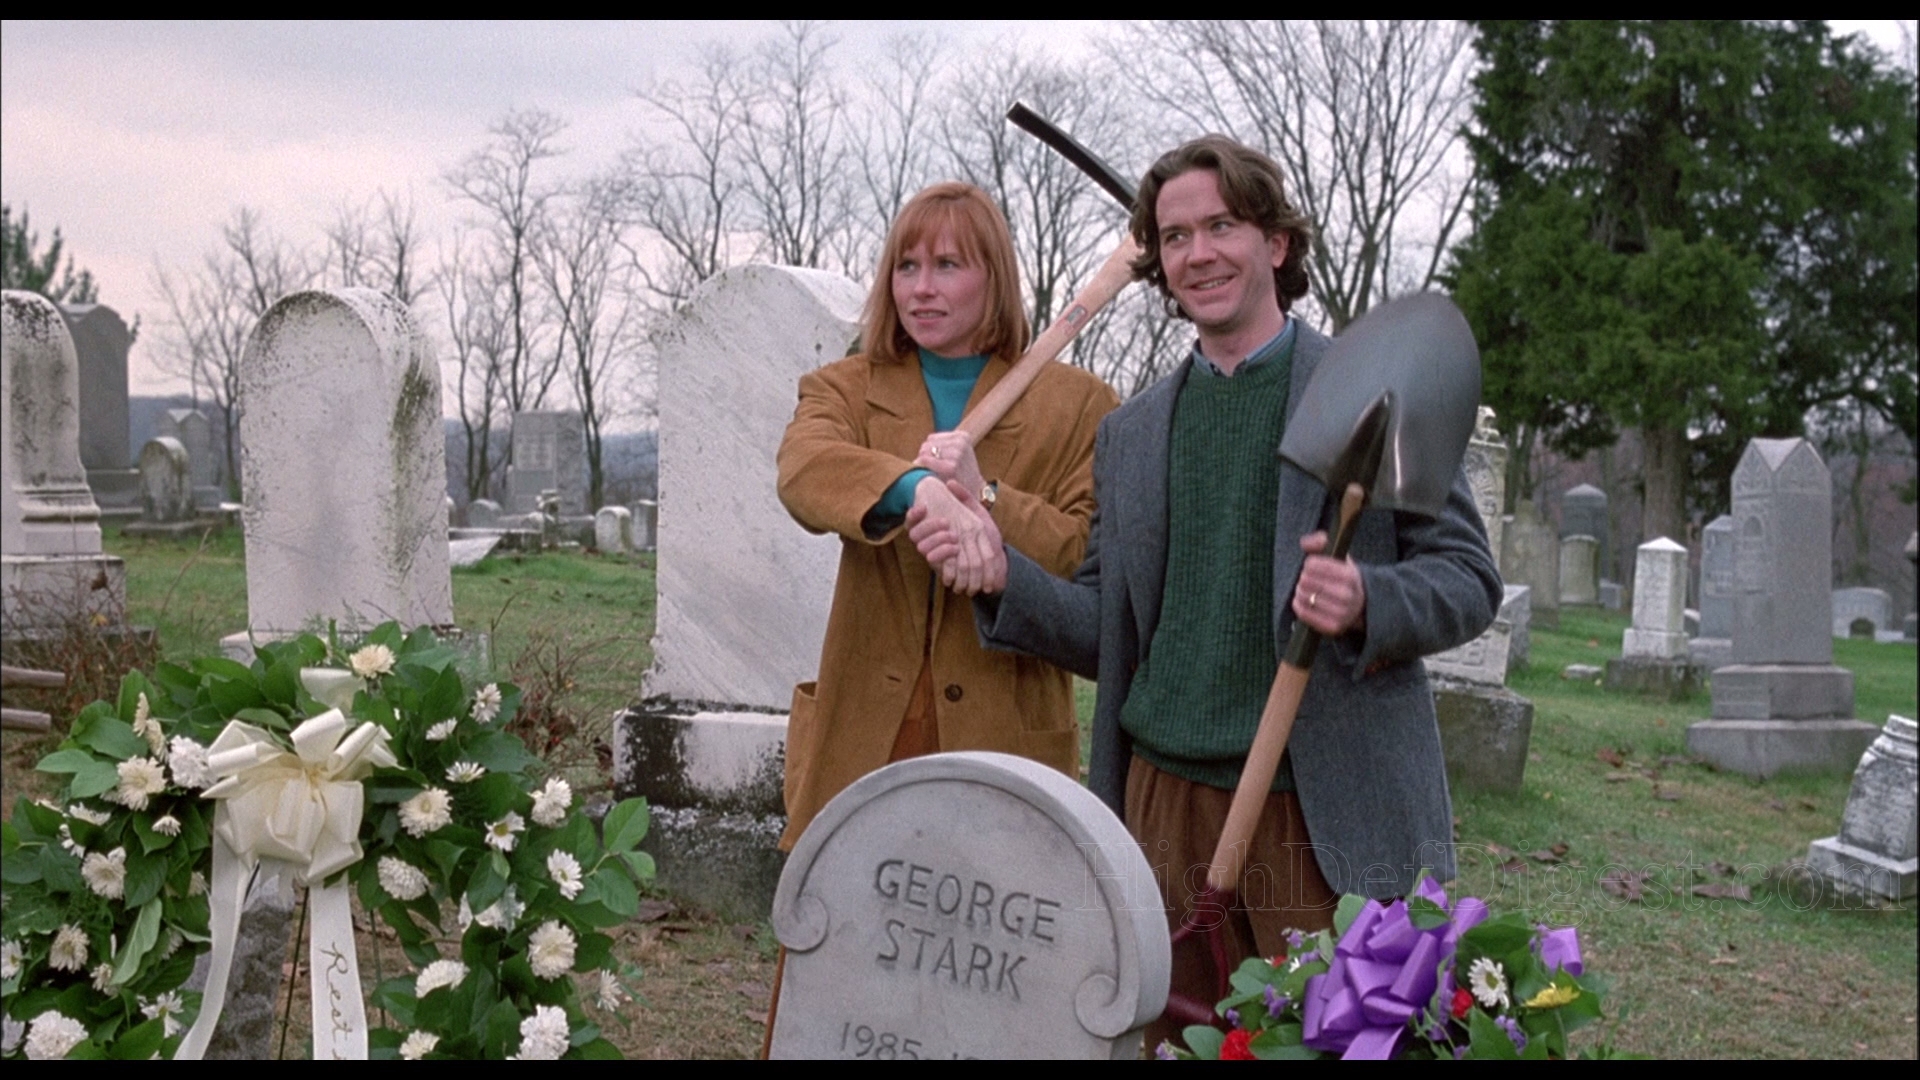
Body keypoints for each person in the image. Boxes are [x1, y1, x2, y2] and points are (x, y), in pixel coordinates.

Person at [912, 137, 1499, 1047]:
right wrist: (1002, 574)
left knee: (1340, 1043)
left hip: (1319, 809)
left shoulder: (1368, 392)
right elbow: (1110, 632)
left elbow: (1467, 577)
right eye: (1175, 235)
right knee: (1170, 1044)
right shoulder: (1135, 433)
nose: (1198, 253)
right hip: (1159, 807)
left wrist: (1368, 601)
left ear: (1276, 243)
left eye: (1222, 225)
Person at [774, 181, 1119, 851]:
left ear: (993, 278)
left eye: (947, 266)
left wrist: (985, 499)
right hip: (865, 737)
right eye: (907, 267)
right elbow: (804, 469)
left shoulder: (1079, 405)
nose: (921, 289)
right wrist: (918, 491)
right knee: (844, 939)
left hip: (1004, 739)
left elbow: (1082, 553)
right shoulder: (845, 386)